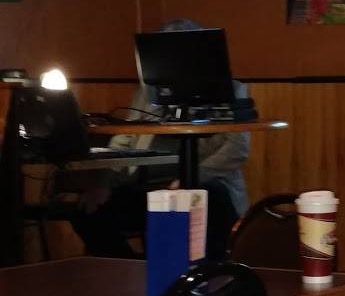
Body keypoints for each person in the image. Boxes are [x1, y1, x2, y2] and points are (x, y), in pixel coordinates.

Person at [70, 18, 249, 260]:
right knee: (86, 211)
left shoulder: (231, 90)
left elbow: (237, 150)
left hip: (207, 184)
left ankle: (198, 273)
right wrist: (105, 182)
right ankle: (130, 269)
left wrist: (190, 178)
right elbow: (123, 141)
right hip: (146, 186)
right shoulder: (147, 93)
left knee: (199, 199)